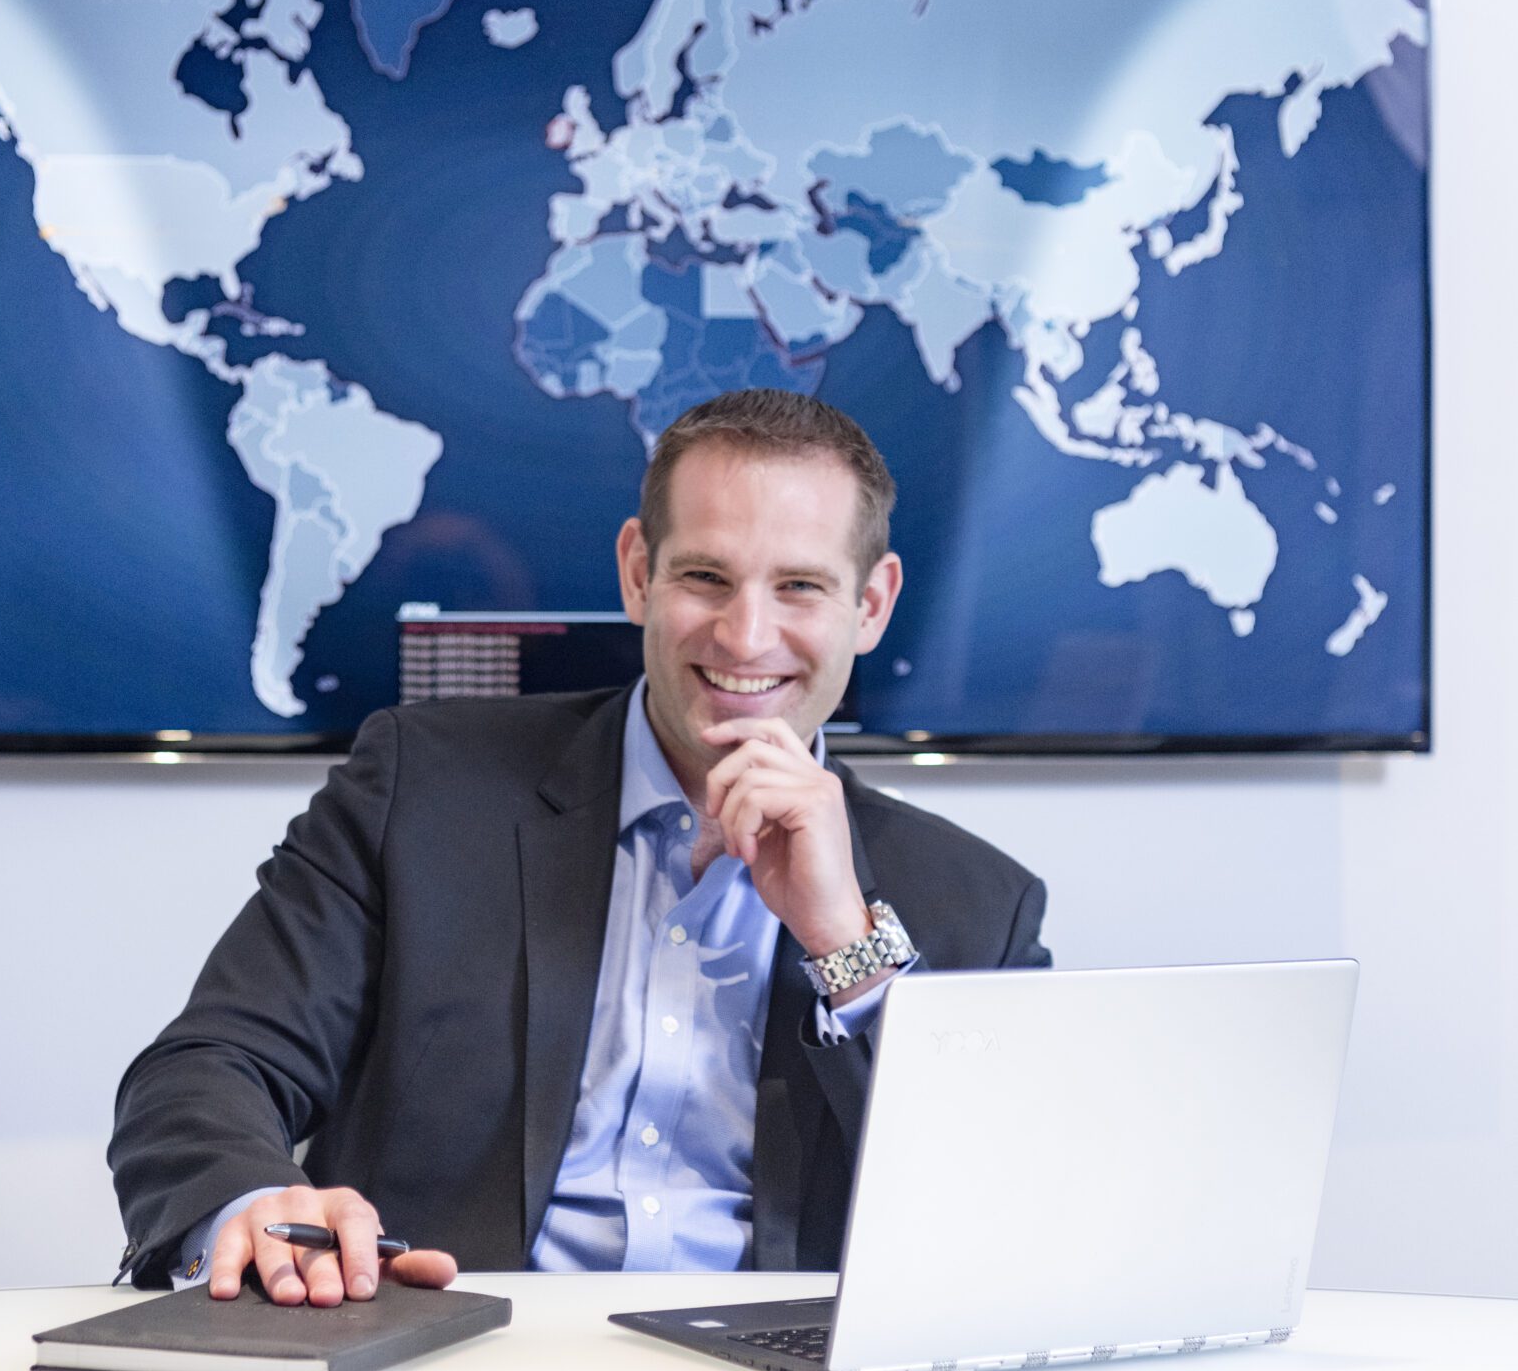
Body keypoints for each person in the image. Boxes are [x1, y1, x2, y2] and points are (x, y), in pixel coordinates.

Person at [109, 389, 1049, 1302]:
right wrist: (253, 1208)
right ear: (639, 572)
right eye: (704, 577)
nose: (745, 635)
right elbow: (206, 1067)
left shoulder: (976, 901)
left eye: (799, 586)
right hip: (448, 1368)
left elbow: (1030, 1192)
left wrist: (846, 942)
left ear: (872, 604)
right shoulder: (420, 789)